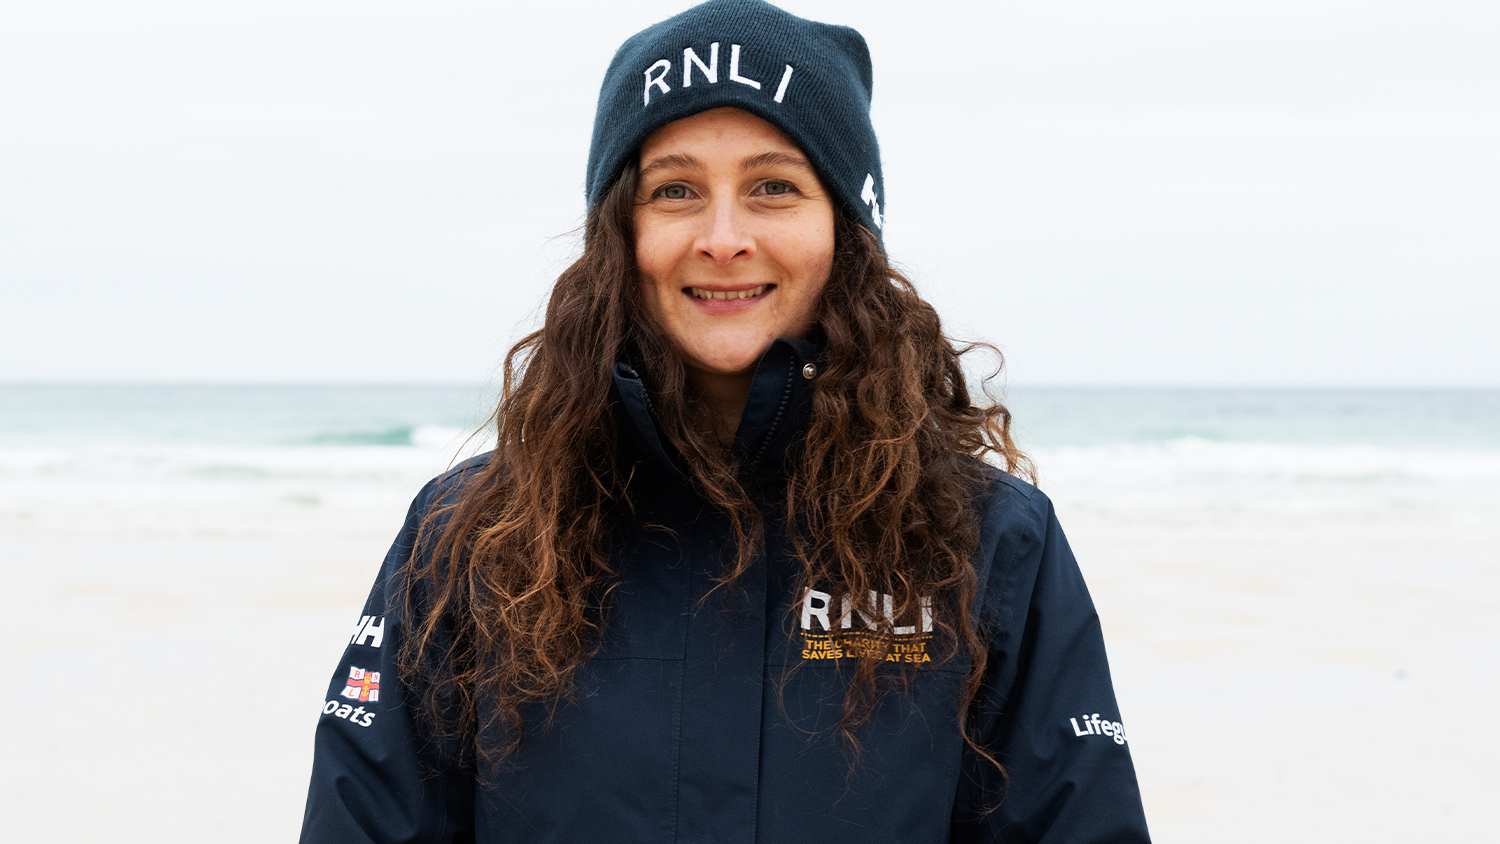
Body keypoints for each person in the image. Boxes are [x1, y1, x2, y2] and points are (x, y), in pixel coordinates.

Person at [298, 1, 1151, 841]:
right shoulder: (469, 539)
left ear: (845, 229)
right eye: (674, 190)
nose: (723, 236)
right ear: (618, 235)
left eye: (773, 187)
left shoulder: (988, 542)